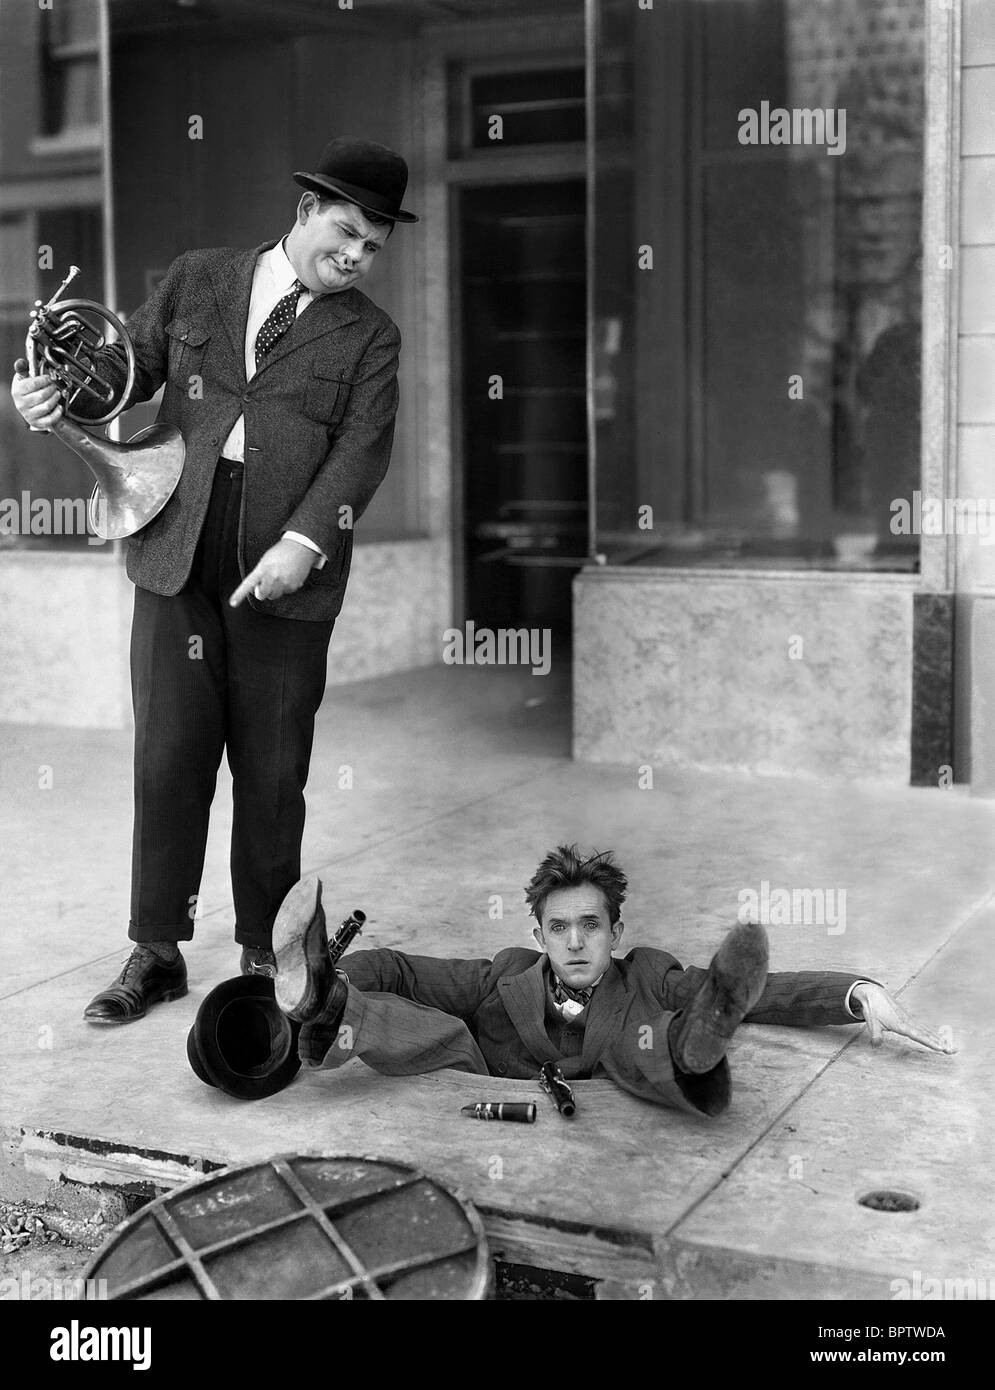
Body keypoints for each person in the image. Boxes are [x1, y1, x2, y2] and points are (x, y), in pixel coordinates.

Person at [10, 138, 418, 1024]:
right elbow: (122, 375)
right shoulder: (199, 278)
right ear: (305, 210)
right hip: (175, 544)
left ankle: (264, 953)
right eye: (345, 232)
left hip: (287, 569)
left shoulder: (372, 337)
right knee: (167, 758)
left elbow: (361, 452)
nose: (355, 255)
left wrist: (305, 541)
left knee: (272, 771)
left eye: (372, 245)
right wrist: (47, 397)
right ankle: (156, 951)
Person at [270, 845, 954, 1115]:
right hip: (493, 1076)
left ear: (615, 934)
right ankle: (324, 998)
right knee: (439, 1029)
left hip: (633, 1059)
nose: (575, 942)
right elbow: (398, 968)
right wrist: (340, 976)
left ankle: (695, 1046)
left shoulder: (648, 972)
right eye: (560, 928)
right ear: (539, 936)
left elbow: (760, 992)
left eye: (591, 926)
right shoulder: (503, 975)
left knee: (646, 1039)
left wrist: (855, 992)